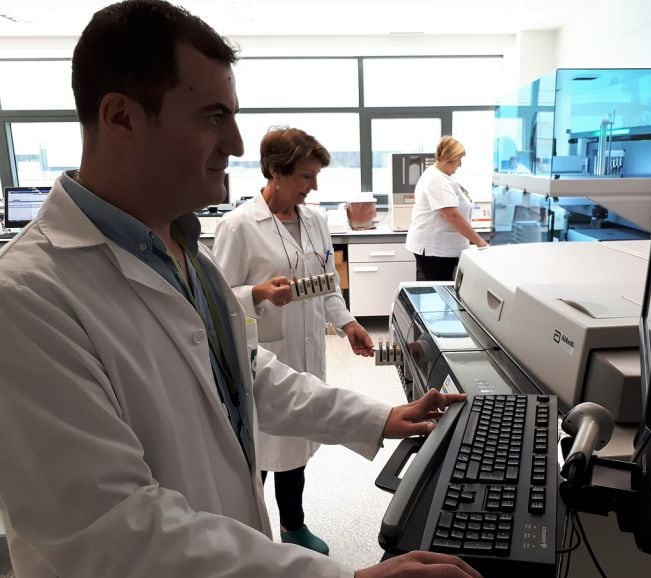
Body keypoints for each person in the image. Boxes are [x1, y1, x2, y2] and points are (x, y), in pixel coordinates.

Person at [0, 2, 482, 577]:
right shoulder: (27, 297)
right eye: (212, 116)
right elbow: (108, 530)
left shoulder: (183, 250)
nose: (234, 142)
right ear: (121, 117)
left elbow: (245, 373)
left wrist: (379, 416)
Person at [212, 126, 374, 555]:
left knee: (298, 444)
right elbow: (219, 300)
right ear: (273, 172)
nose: (313, 186)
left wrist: (347, 324)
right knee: (261, 452)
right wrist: (261, 293)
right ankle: (249, 535)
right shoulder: (239, 225)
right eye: (305, 176)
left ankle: (294, 526)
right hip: (266, 354)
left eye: (316, 175)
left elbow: (326, 284)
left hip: (306, 351)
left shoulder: (316, 220)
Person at [405, 136, 488, 281]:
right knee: (442, 293)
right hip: (436, 250)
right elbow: (452, 216)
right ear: (449, 159)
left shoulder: (444, 176)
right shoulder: (437, 179)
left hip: (444, 248)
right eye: (459, 160)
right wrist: (480, 242)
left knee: (446, 292)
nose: (460, 165)